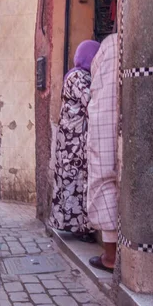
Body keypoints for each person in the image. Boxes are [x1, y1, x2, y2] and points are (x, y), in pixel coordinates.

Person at [49, 40, 101, 242]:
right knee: (77, 182)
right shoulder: (79, 77)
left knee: (71, 183)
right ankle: (80, 228)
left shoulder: (76, 75)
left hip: (69, 142)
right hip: (74, 143)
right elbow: (90, 100)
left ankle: (74, 225)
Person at [87, 33, 119, 273]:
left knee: (105, 181)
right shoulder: (114, 47)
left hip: (103, 132)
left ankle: (111, 256)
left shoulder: (110, 48)